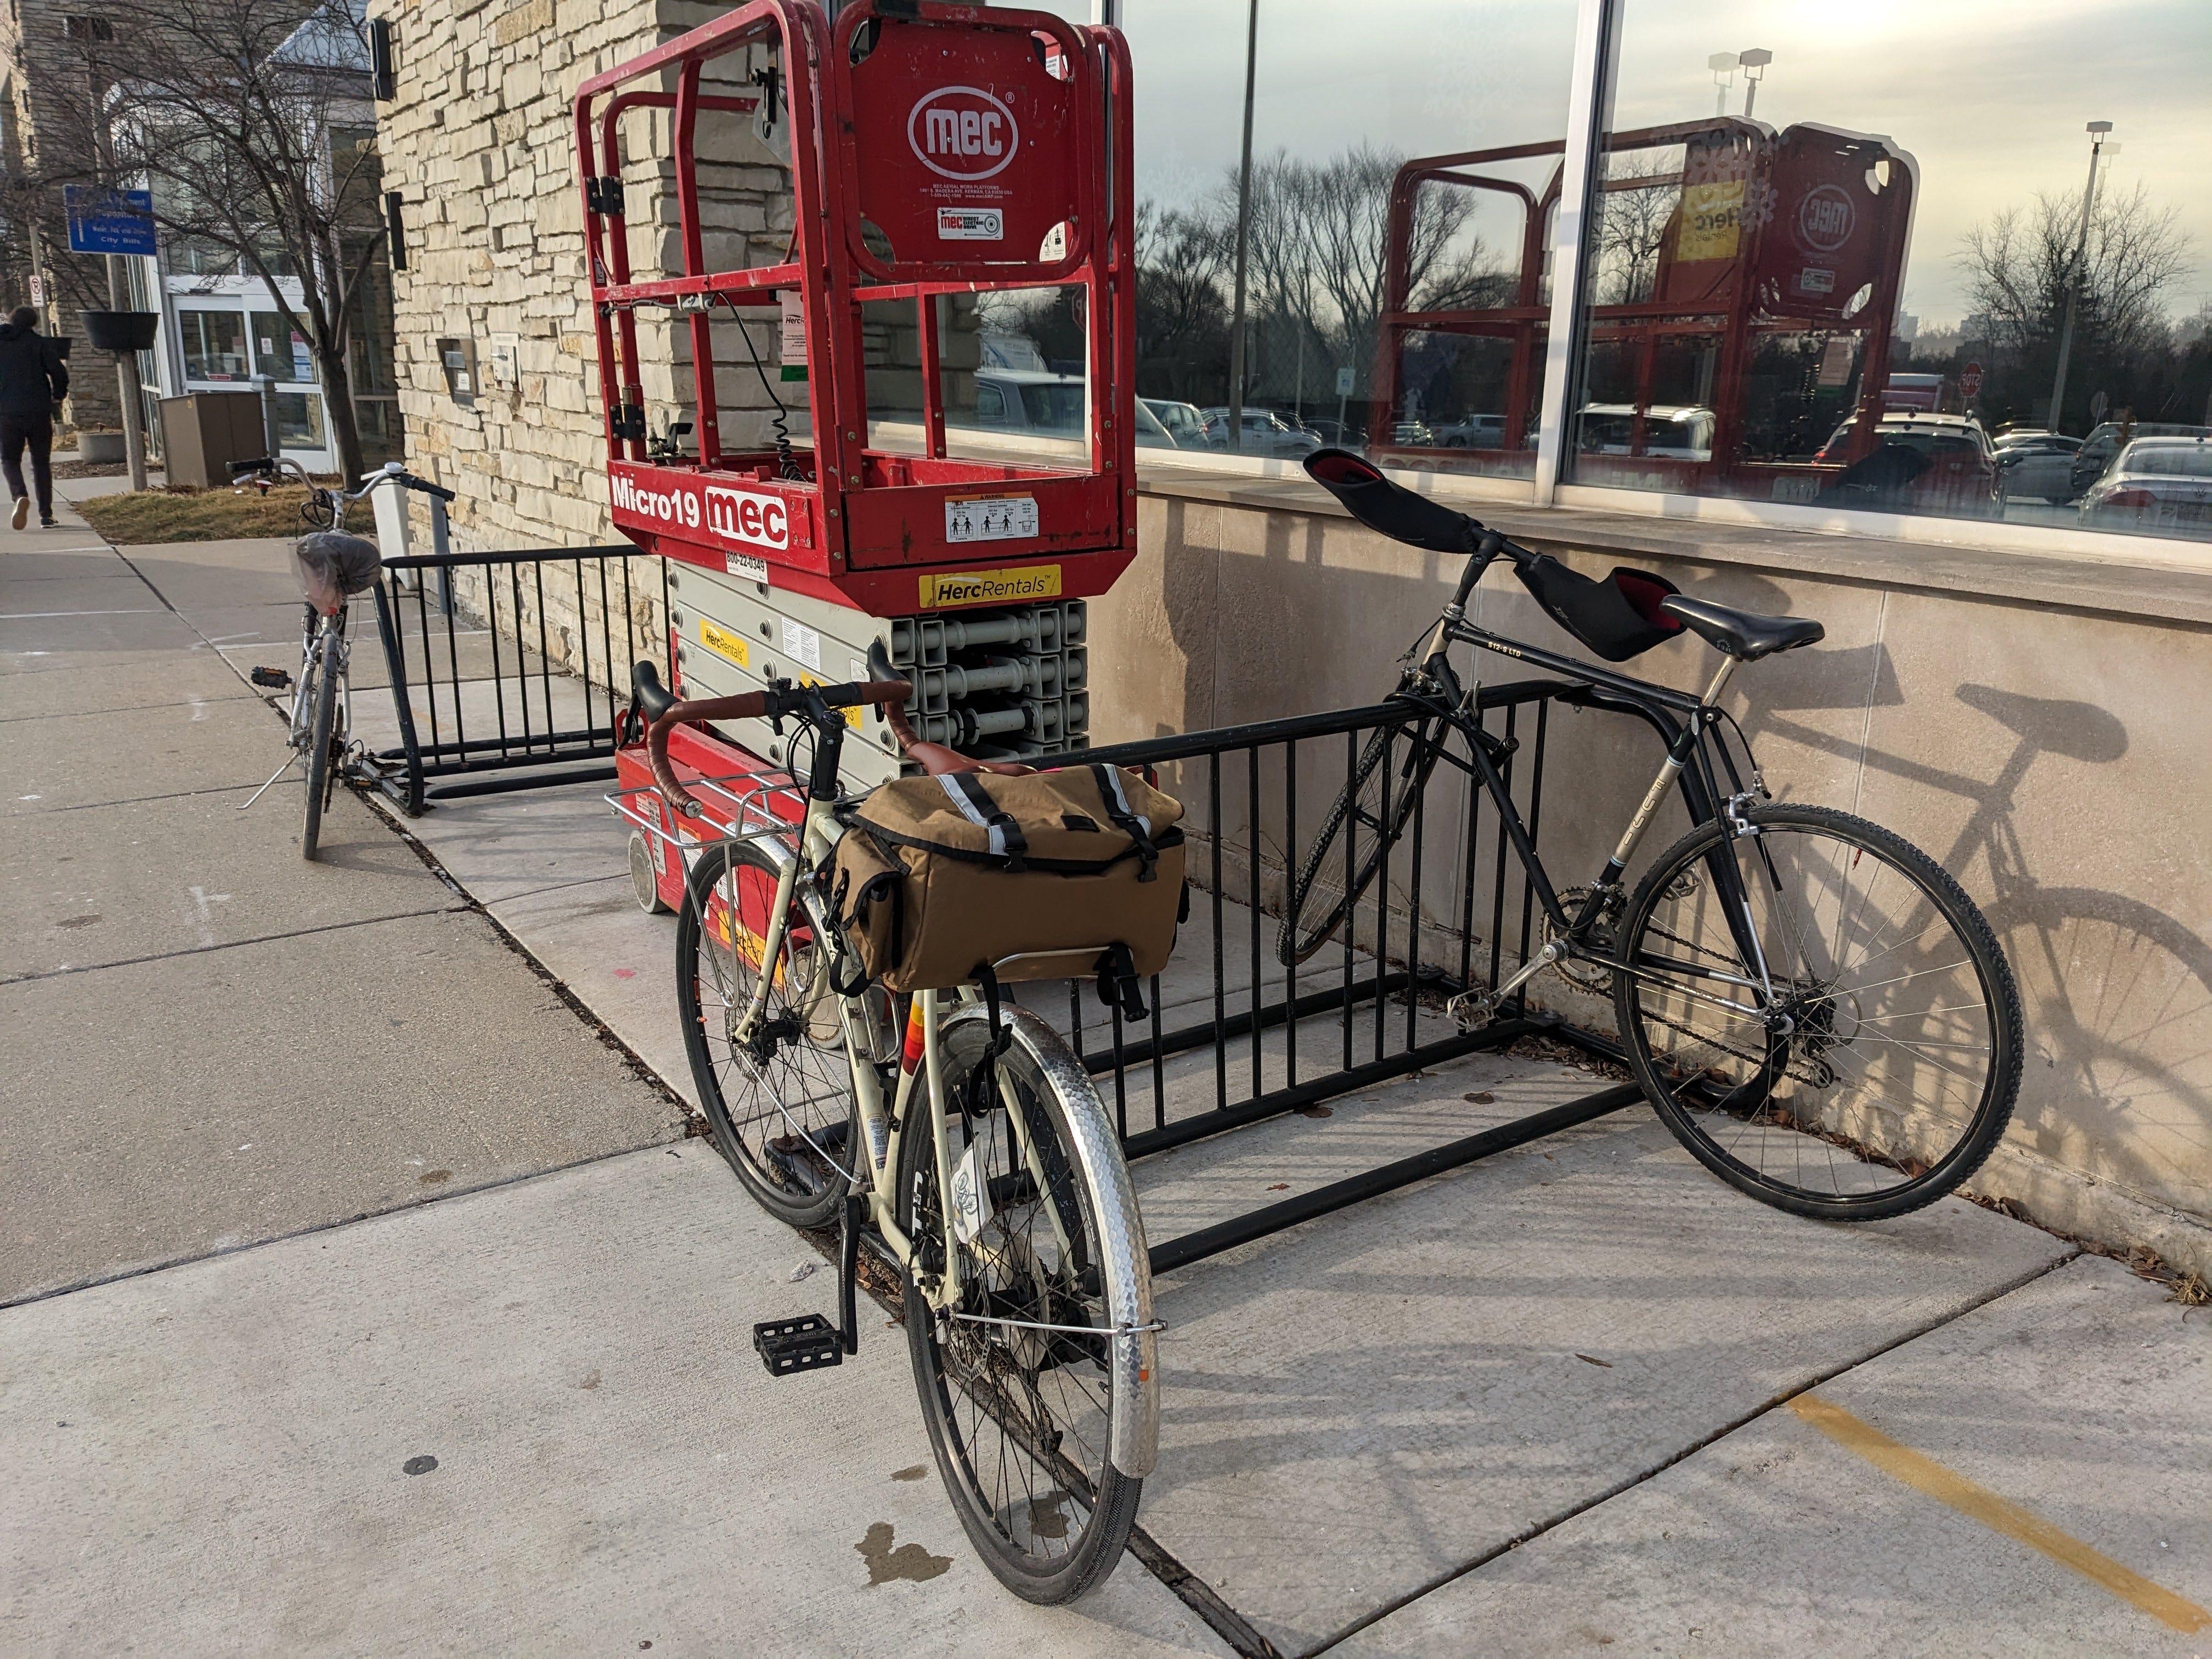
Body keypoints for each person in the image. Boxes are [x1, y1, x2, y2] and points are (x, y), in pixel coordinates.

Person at [1, 304, 71, 530]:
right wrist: (58, 397)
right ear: (33, 323)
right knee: (41, 462)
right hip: (39, 412)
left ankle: (19, 495)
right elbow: (59, 374)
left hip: (7, 413)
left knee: (10, 460)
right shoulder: (39, 344)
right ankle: (46, 515)